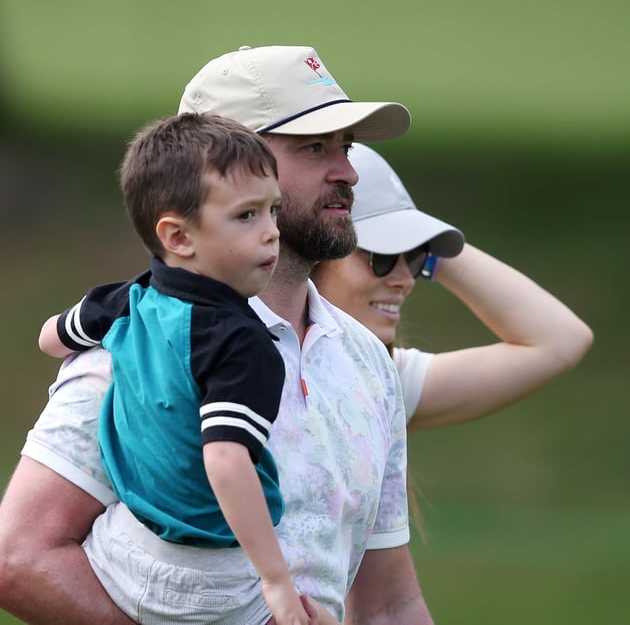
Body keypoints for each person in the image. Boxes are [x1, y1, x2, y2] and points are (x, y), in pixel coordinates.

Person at [0, 45, 433, 624]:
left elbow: (387, 606)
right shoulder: (136, 345)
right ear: (222, 163)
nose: (349, 173)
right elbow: (19, 557)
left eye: (346, 148)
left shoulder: (367, 361)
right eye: (315, 147)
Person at [37, 112, 337, 625]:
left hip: (119, 554)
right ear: (178, 236)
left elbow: (50, 337)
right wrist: (275, 580)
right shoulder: (243, 344)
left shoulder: (127, 300)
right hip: (214, 578)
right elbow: (225, 460)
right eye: (247, 216)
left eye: (273, 210)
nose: (272, 233)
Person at [312, 142, 593, 432]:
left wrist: (425, 243)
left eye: (412, 258)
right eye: (380, 256)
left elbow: (561, 340)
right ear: (311, 255)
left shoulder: (379, 377)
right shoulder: (266, 368)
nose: (406, 279)